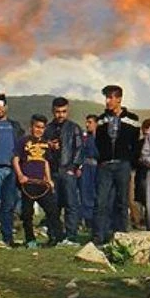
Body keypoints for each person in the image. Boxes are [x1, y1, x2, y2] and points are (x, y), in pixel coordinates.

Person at [92, 85, 141, 246]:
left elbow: (135, 145)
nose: (107, 101)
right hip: (105, 165)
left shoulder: (132, 119)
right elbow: (97, 143)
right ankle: (99, 236)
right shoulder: (101, 120)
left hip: (123, 165)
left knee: (122, 201)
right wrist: (101, 159)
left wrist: (130, 162)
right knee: (101, 201)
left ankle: (122, 236)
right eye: (106, 97)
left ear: (119, 99)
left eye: (111, 97)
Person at [14, 114, 62, 248]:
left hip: (42, 184)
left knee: (52, 210)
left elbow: (45, 162)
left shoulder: (45, 143)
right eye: (37, 127)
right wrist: (20, 175)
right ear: (31, 127)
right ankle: (30, 240)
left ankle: (56, 237)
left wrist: (49, 180)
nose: (39, 130)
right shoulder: (23, 141)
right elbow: (16, 159)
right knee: (27, 214)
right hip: (28, 183)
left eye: (42, 127)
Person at [46, 97, 84, 244]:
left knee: (71, 204)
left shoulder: (74, 128)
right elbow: (41, 151)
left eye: (63, 111)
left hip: (68, 171)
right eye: (57, 112)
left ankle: (71, 235)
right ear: (53, 111)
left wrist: (73, 168)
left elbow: (80, 149)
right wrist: (48, 146)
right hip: (53, 172)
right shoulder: (48, 129)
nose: (60, 115)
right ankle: (54, 235)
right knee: (53, 206)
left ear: (68, 111)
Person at [0, 94, 23, 247]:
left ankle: (7, 237)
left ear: (6, 107)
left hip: (11, 169)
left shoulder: (15, 126)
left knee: (8, 205)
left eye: (2, 105)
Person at [79, 114, 99, 230]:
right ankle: (88, 220)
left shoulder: (101, 138)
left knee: (97, 194)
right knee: (85, 193)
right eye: (87, 122)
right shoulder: (85, 138)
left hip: (98, 168)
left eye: (90, 122)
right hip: (86, 167)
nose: (87, 125)